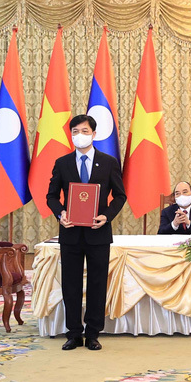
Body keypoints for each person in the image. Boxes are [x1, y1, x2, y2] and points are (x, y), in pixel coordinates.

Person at [46, 115, 126, 351]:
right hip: (70, 233)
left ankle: (92, 334)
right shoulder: (62, 163)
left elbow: (120, 195)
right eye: (75, 131)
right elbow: (51, 196)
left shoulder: (108, 162)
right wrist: (60, 213)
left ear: (94, 134)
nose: (79, 135)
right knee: (70, 284)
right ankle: (73, 333)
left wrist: (106, 216)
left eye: (84, 131)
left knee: (97, 284)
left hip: (98, 233)